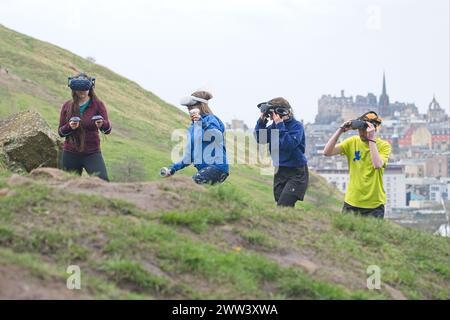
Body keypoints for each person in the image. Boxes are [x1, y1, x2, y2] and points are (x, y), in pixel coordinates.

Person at [323, 111, 391, 218]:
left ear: (374, 128)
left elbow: (377, 164)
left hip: (374, 204)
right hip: (352, 201)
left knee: (371, 235)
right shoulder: (352, 142)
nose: (361, 132)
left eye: (364, 129)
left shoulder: (384, 146)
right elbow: (327, 152)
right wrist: (341, 130)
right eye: (360, 129)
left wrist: (371, 139)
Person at [163, 91, 229, 185]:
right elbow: (189, 157)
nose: (189, 110)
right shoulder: (192, 128)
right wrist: (173, 169)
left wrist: (202, 123)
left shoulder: (211, 119)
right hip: (204, 170)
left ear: (201, 106)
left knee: (188, 184)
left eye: (192, 107)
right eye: (188, 108)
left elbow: (217, 136)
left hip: (217, 167)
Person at [254, 97, 309, 207]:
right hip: (280, 170)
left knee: (283, 206)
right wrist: (261, 121)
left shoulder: (296, 126)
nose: (272, 116)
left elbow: (289, 144)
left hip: (296, 172)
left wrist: (280, 125)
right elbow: (260, 138)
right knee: (282, 206)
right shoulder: (273, 127)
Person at [58, 73, 112, 181]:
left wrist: (102, 124)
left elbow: (107, 130)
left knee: (103, 181)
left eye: (85, 89)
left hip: (92, 153)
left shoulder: (98, 105)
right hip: (70, 153)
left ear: (90, 88)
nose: (82, 92)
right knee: (68, 185)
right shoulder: (67, 106)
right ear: (74, 89)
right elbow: (61, 132)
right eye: (79, 89)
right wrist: (70, 127)